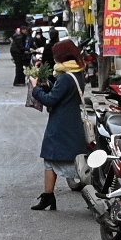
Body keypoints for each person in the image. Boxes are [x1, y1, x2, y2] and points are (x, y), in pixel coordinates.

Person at [32, 40, 87, 211]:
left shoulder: (65, 78)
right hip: (71, 121)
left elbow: (51, 99)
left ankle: (50, 196)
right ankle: (48, 196)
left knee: (55, 158)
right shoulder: (77, 74)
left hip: (61, 124)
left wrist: (36, 89)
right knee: (55, 159)